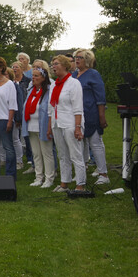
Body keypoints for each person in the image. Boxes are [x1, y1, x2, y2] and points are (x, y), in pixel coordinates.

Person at [48, 55, 85, 192]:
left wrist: (77, 127)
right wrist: (50, 126)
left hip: (70, 123)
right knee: (62, 155)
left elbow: (77, 107)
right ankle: (65, 182)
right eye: (52, 64)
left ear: (64, 66)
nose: (53, 66)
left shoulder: (74, 83)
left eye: (56, 64)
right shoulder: (54, 85)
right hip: (57, 124)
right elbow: (51, 108)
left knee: (75, 154)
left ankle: (80, 184)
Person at [72, 49, 109, 185]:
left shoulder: (93, 74)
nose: (77, 59)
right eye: (76, 57)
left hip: (91, 113)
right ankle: (81, 173)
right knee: (79, 145)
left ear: (87, 59)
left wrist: (101, 115)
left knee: (95, 144)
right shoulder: (74, 75)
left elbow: (100, 97)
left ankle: (103, 174)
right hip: (77, 115)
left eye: (80, 57)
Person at [22, 67, 55, 188]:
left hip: (43, 126)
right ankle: (38, 177)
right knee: (36, 154)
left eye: (36, 76)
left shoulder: (48, 91)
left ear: (43, 78)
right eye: (33, 75)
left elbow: (49, 108)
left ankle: (49, 178)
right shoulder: (31, 90)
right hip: (31, 126)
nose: (33, 78)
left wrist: (49, 127)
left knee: (47, 153)